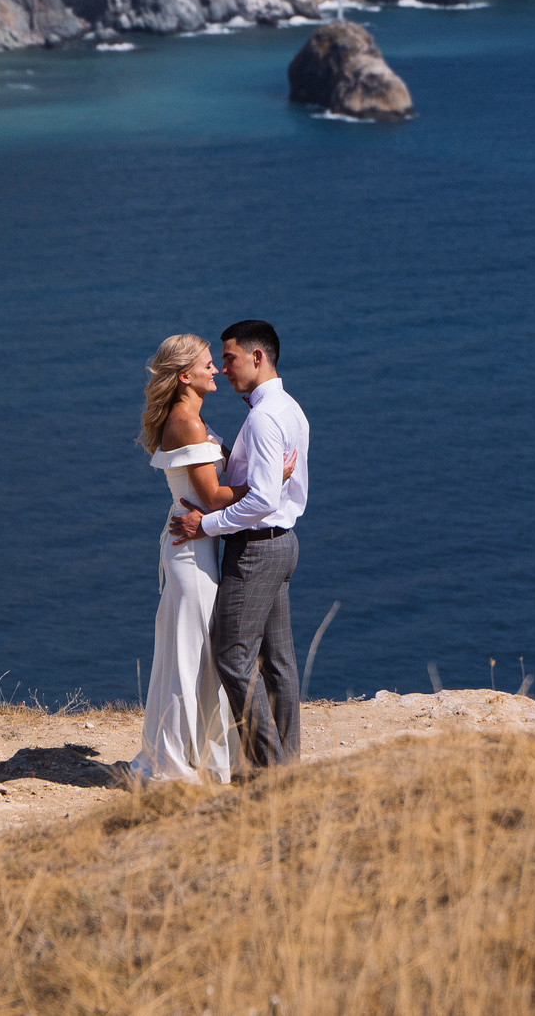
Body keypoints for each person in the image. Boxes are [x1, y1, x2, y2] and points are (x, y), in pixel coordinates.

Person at [168, 319, 308, 771]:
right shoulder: (289, 408)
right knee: (279, 662)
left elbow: (263, 499)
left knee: (232, 656)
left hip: (256, 550)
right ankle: (286, 767)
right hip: (283, 543)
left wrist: (207, 526)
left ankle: (269, 772)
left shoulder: (264, 417)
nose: (224, 369)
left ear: (257, 357)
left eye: (229, 358)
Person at [129, 333, 256, 783]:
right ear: (185, 376)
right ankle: (172, 765)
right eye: (207, 364)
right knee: (189, 658)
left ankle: (188, 756)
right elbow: (216, 497)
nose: (216, 369)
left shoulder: (193, 419)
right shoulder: (189, 424)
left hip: (195, 545)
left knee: (192, 656)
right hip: (191, 552)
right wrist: (271, 482)